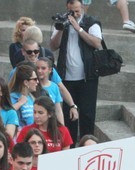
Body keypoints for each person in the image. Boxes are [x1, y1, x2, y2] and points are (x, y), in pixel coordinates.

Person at [50, 0, 103, 142]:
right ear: (67, 8)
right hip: (67, 78)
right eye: (71, 11)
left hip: (88, 78)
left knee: (87, 115)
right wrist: (61, 29)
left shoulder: (91, 22)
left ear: (83, 8)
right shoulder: (62, 22)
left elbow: (97, 43)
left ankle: (88, 144)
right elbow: (53, 46)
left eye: (77, 11)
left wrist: (78, 28)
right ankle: (70, 147)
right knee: (69, 116)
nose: (75, 14)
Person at [9, 62, 40, 129]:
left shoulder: (31, 97)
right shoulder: (13, 97)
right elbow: (6, 113)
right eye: (35, 79)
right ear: (26, 82)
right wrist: (20, 103)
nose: (37, 82)